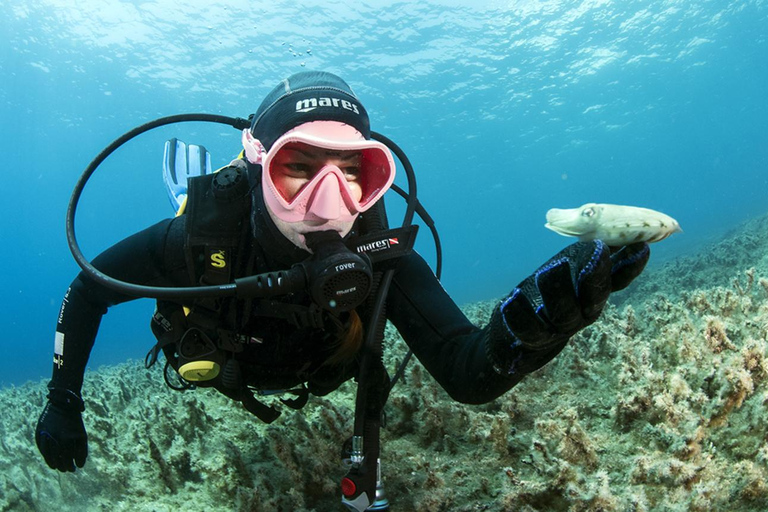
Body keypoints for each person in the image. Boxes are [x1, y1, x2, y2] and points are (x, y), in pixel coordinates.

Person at [35, 71, 650, 510]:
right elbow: (86, 292)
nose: (329, 206)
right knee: (192, 210)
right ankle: (197, 182)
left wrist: (539, 327)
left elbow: (468, 372)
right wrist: (64, 399)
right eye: (297, 167)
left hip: (320, 366)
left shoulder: (378, 252)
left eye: (353, 173)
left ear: (374, 174)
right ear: (258, 164)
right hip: (222, 354)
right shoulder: (192, 243)